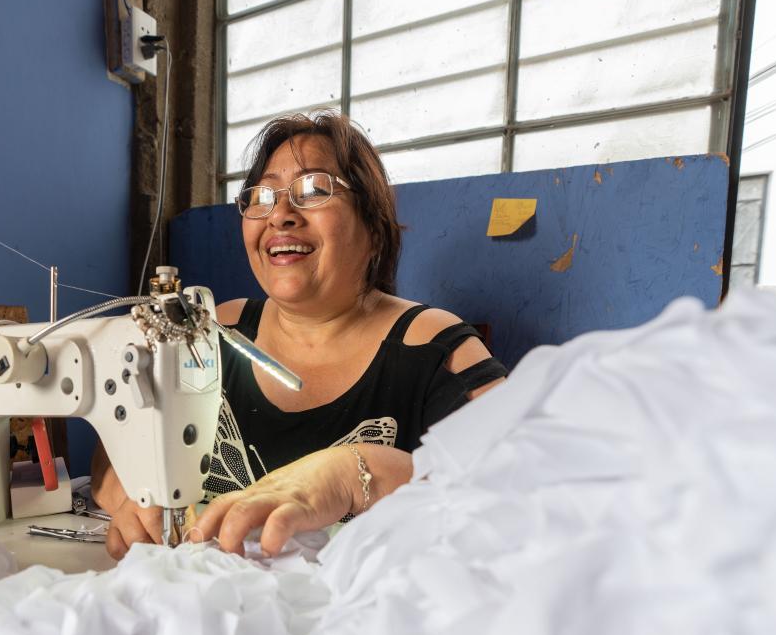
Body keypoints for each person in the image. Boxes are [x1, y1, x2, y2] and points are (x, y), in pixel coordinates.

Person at [92, 110, 507, 559]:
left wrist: (358, 475)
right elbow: (113, 459)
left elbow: (522, 493)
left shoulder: (435, 348)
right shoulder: (208, 331)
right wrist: (132, 500)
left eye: (313, 190)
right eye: (262, 196)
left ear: (373, 225)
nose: (280, 215)